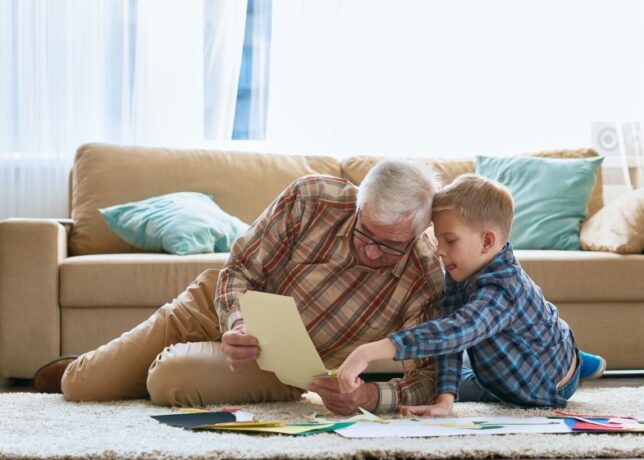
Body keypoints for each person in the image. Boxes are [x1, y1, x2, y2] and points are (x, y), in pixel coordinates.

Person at [33, 159, 445, 415]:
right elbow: (239, 268)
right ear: (358, 205)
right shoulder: (311, 197)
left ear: (419, 230)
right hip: (206, 310)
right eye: (365, 235)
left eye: (390, 246)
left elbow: (427, 378)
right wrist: (238, 322)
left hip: (277, 367)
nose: (372, 253)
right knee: (79, 386)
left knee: (168, 380)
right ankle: (93, 365)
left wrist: (371, 398)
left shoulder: (425, 277)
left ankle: (147, 363)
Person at [336, 174, 607, 415]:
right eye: (438, 240)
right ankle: (566, 352)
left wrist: (370, 351)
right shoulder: (460, 273)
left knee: (463, 358)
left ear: (487, 241)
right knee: (448, 373)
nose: (440, 250)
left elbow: (456, 331)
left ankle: (573, 359)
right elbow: (449, 343)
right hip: (500, 373)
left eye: (450, 240)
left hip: (546, 387)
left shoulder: (504, 288)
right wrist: (444, 402)